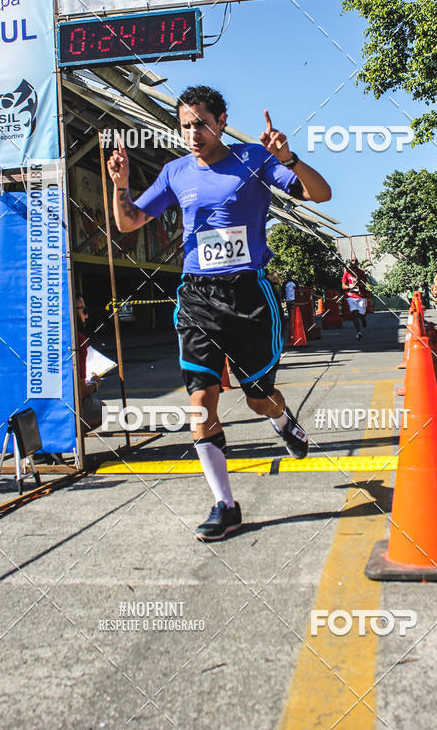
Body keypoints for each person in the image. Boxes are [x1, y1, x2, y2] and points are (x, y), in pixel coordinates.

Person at [107, 85, 331, 541]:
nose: (193, 133)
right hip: (197, 298)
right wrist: (120, 186)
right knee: (199, 403)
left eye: (202, 124)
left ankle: (283, 421)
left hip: (248, 296)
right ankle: (225, 505)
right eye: (186, 125)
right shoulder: (174, 172)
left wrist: (288, 159)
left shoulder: (253, 158)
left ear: (222, 120)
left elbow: (321, 194)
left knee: (257, 398)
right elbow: (129, 222)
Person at [75, 295, 105, 431]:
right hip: (64, 411)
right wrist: (95, 384)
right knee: (102, 410)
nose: (86, 316)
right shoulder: (78, 339)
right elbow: (80, 392)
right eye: (84, 310)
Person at [341, 257, 368, 339]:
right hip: (351, 296)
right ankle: (358, 333)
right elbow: (343, 286)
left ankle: (363, 319)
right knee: (354, 314)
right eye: (352, 260)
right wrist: (350, 287)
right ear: (350, 263)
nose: (354, 262)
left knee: (361, 314)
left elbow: (364, 284)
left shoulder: (362, 273)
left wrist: (359, 285)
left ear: (358, 263)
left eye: (356, 260)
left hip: (361, 296)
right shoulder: (347, 273)